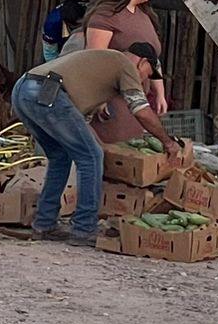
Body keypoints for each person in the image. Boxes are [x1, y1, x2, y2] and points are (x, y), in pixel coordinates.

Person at [10, 42, 176, 246]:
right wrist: (167, 142)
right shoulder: (125, 64)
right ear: (142, 62)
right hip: (47, 93)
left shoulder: (104, 63)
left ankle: (44, 224)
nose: (144, 81)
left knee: (60, 157)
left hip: (23, 90)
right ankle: (84, 228)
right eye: (147, 74)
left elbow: (78, 121)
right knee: (90, 157)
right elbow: (141, 110)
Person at [83, 0, 167, 143]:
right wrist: (99, 98)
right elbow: (94, 59)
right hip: (112, 98)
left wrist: (160, 93)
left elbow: (153, 59)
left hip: (136, 98)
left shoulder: (144, 15)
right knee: (113, 151)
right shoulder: (106, 16)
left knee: (132, 149)